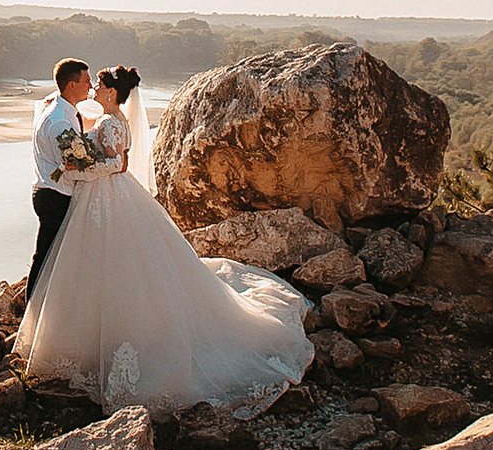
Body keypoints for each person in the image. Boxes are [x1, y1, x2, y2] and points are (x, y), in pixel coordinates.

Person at [16, 64, 315, 418]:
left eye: (98, 83)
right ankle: (61, 320)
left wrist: (108, 165)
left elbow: (109, 163)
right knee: (89, 259)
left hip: (105, 196)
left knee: (100, 260)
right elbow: (97, 159)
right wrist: (100, 164)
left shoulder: (110, 123)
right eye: (88, 81)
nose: (93, 86)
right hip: (95, 196)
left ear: (112, 93)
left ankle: (77, 324)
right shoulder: (81, 117)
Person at [26, 58, 96, 305]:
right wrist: (104, 168)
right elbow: (69, 168)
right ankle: (33, 307)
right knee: (46, 255)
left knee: (53, 254)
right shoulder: (59, 121)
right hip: (54, 195)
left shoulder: (60, 109)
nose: (91, 85)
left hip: (53, 190)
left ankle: (50, 305)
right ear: (71, 84)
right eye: (86, 80)